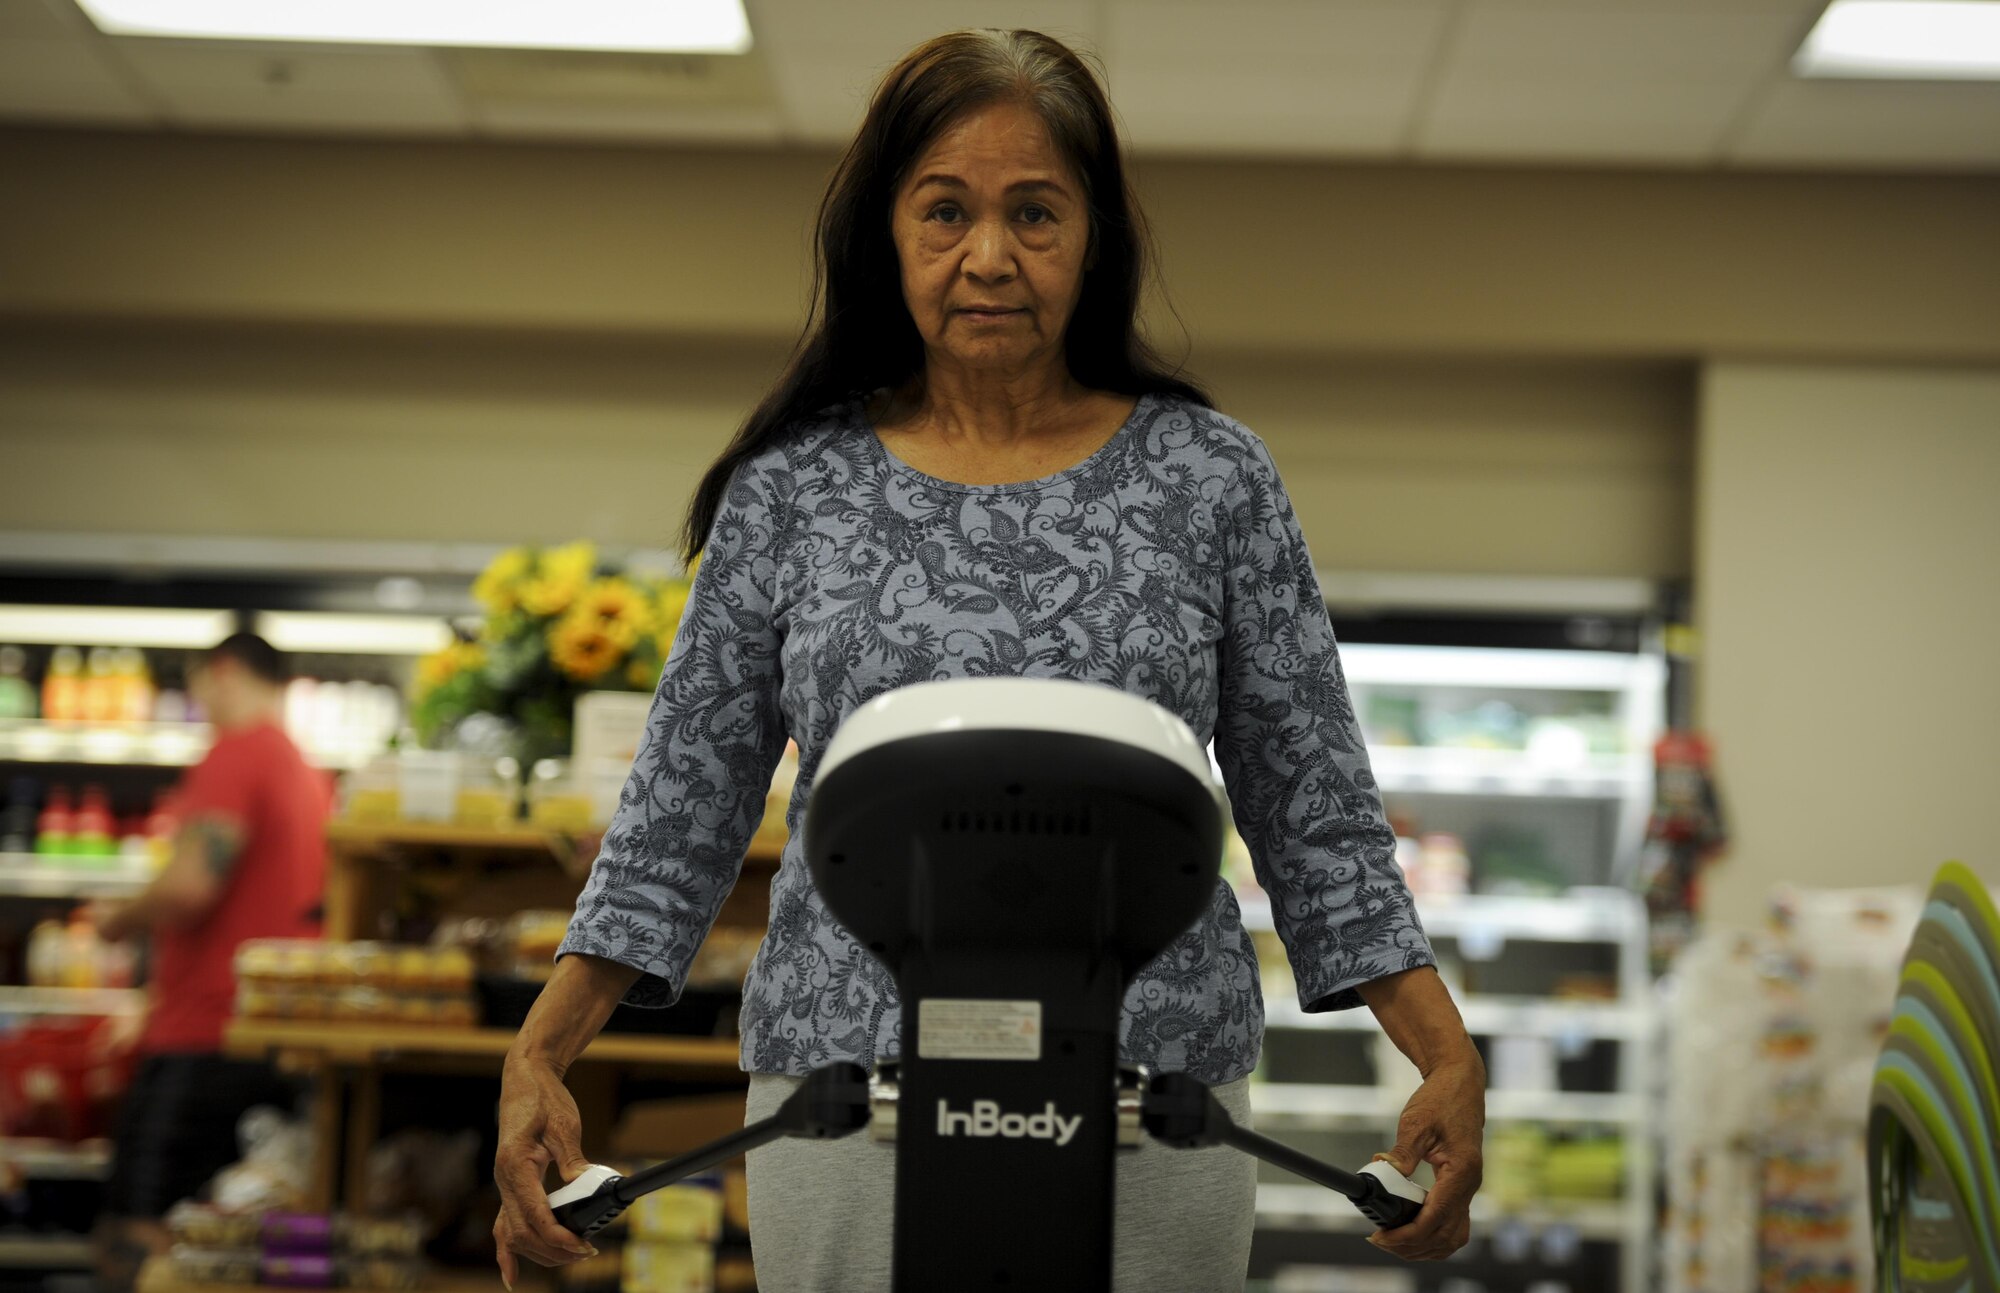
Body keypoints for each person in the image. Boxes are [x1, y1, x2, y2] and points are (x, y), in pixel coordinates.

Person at [495, 27, 1485, 1291]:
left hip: (1154, 1084)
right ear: (885, 233)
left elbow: (1314, 806)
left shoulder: (1211, 478)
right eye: (945, 210)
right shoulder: (792, 491)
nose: (988, 256)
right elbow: (678, 809)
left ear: (1093, 237)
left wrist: (1441, 1053)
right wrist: (541, 1054)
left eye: (1034, 212)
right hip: (848, 1085)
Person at [88, 632, 330, 1291]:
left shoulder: (237, 753)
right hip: (263, 1033)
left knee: (142, 1235)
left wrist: (115, 919)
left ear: (221, 671)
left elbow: (190, 885)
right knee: (223, 1245)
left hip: (204, 1034)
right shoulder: (302, 769)